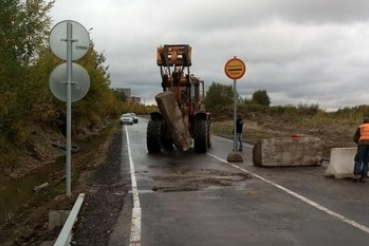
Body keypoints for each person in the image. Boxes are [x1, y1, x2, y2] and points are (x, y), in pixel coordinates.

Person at [353, 117, 369, 182]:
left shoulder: (361, 127)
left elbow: (355, 137)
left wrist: (358, 143)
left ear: (364, 121)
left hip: (362, 143)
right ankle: (363, 177)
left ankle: (356, 175)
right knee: (366, 161)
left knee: (359, 159)